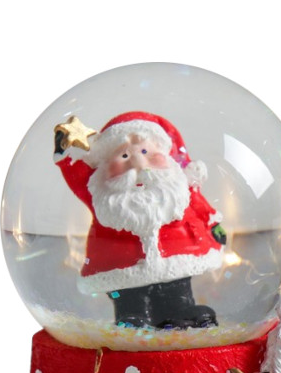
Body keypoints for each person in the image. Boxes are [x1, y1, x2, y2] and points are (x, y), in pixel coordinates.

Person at [54, 111, 226, 329]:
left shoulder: (178, 190)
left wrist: (214, 227)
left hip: (176, 260)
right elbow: (77, 175)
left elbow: (202, 208)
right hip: (120, 268)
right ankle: (132, 316)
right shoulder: (102, 195)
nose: (138, 163)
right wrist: (65, 150)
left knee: (176, 288)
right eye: (124, 156)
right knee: (127, 296)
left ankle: (179, 310)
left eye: (145, 151)